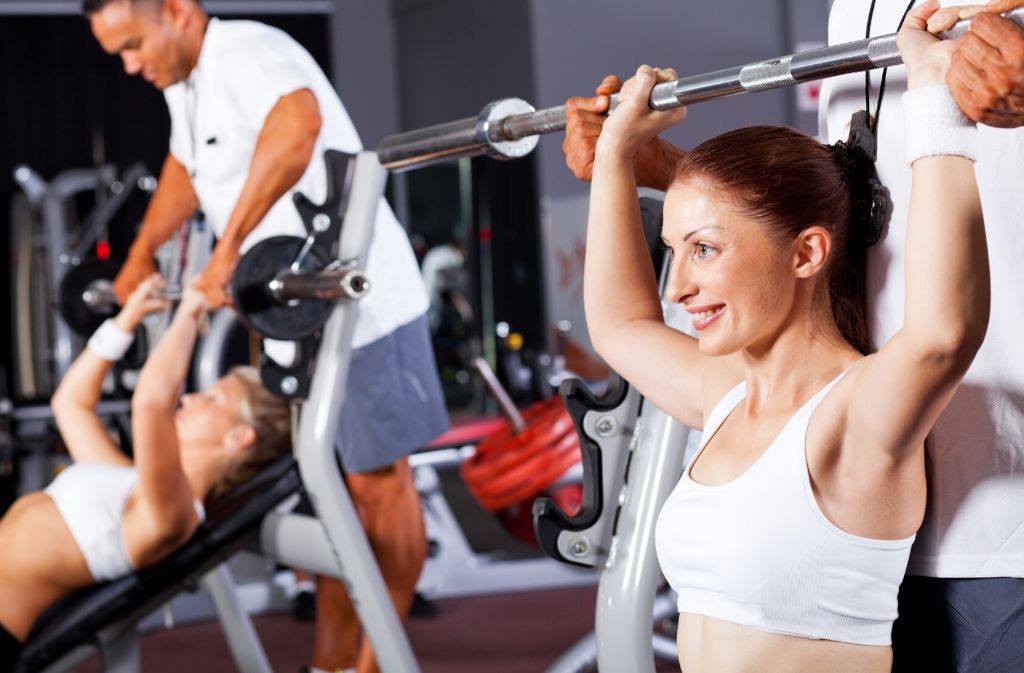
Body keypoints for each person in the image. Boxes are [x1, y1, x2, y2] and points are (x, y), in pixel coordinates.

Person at [564, 2, 1024, 671]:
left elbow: (941, 335)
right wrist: (620, 158)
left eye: (703, 252)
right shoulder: (727, 394)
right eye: (680, 251)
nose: (679, 289)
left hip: (995, 513)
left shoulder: (852, 414)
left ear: (808, 254)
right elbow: (622, 321)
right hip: (918, 490)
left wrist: (935, 97)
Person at [82, 2, 449, 671]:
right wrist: (142, 252)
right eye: (119, 56)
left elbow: (298, 123)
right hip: (293, 317)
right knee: (330, 494)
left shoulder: (247, 50)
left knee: (377, 487)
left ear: (176, 12)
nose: (130, 64)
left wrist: (226, 252)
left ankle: (379, 662)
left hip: (361, 304)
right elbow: (186, 168)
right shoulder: (185, 89)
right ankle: (332, 660)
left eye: (133, 44)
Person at [0, 275, 292, 670]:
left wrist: (191, 312)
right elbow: (70, 404)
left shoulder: (175, 515)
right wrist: (127, 319)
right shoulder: (129, 483)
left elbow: (151, 402)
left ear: (240, 436)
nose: (189, 397)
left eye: (212, 399)